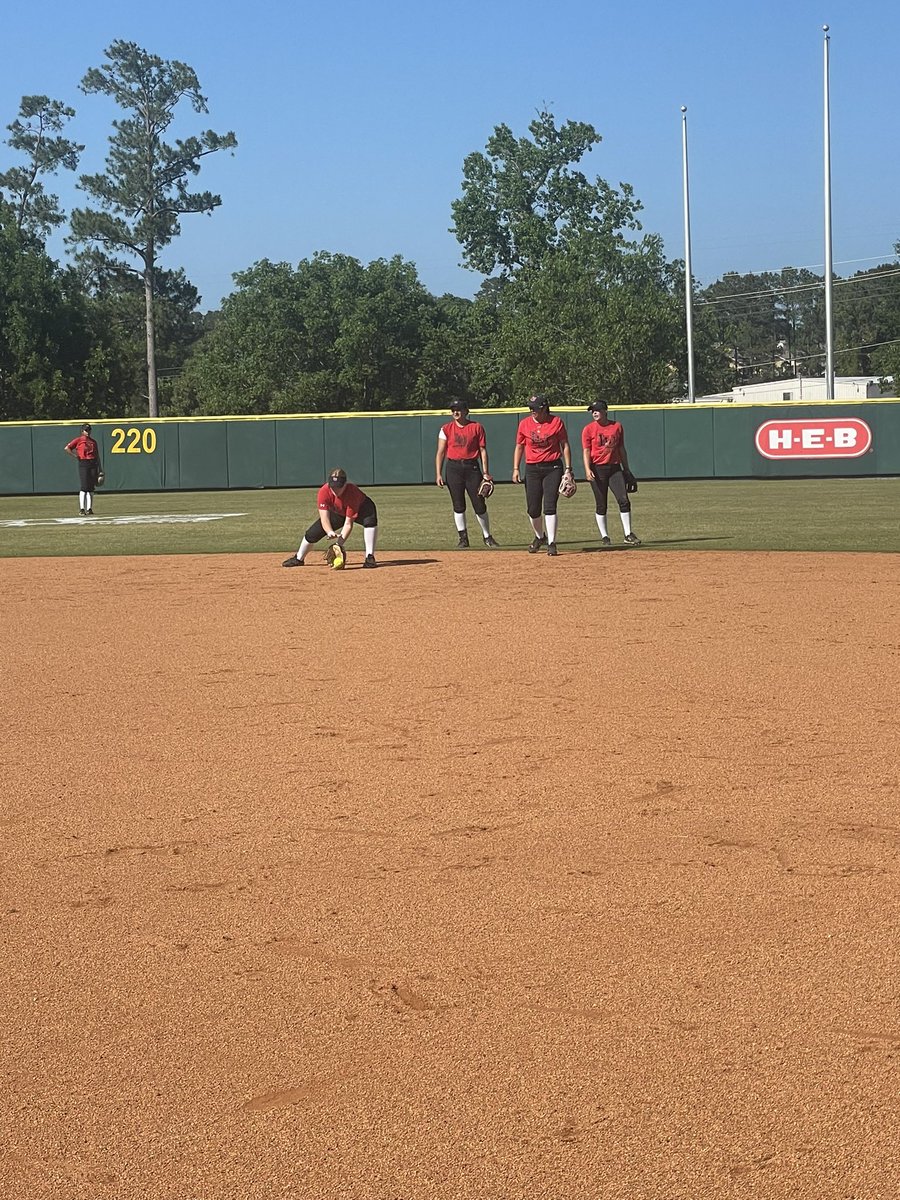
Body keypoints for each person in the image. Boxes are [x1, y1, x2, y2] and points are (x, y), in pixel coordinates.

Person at [512, 395, 573, 556]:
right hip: (532, 468)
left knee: (550, 505)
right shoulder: (524, 424)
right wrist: (516, 468)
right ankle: (540, 537)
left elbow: (564, 445)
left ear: (544, 408)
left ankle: (552, 542)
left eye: (535, 408)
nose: (532, 410)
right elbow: (519, 446)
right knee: (533, 509)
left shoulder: (556, 422)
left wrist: (568, 469)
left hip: (552, 467)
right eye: (530, 407)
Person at [282, 467, 379, 568]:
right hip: (338, 511)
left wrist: (338, 545)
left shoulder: (352, 492)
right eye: (333, 487)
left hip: (363, 508)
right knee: (312, 534)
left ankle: (369, 557)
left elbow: (348, 523)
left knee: (370, 522)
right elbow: (324, 518)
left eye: (339, 487)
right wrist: (329, 531)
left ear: (345, 484)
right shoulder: (324, 492)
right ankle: (299, 558)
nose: (336, 490)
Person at [435, 402, 499, 549]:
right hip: (453, 468)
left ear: (466, 411)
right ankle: (463, 538)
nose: (455, 412)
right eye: (453, 410)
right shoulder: (446, 429)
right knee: (458, 505)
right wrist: (438, 473)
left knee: (479, 503)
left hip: (472, 467)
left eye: (458, 409)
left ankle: (487, 536)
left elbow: (482, 450)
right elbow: (440, 452)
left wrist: (486, 473)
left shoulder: (476, 427)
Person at [581, 400, 641, 546]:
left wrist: (626, 469)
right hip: (597, 469)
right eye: (593, 411)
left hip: (614, 468)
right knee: (601, 504)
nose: (594, 413)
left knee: (624, 500)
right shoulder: (588, 429)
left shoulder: (616, 427)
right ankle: (605, 536)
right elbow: (586, 451)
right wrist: (587, 469)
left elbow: (621, 448)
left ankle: (628, 534)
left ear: (605, 411)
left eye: (597, 410)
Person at [64, 423, 103, 516]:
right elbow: (67, 448)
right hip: (84, 462)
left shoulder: (93, 442)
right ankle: (82, 508)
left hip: (93, 463)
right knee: (84, 486)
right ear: (82, 431)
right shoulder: (79, 440)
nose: (88, 432)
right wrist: (76, 456)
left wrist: (100, 468)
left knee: (91, 487)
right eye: (86, 430)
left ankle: (89, 508)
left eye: (89, 430)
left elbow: (97, 456)